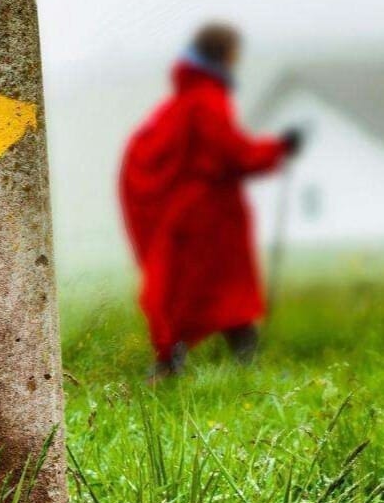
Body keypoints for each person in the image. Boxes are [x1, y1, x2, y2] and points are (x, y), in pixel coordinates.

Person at [119, 23, 303, 380]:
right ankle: (233, 368)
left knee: (188, 291)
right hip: (210, 218)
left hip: (191, 214)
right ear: (223, 53)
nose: (238, 58)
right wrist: (280, 147)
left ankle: (173, 365)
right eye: (235, 51)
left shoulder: (184, 101)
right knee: (225, 292)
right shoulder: (206, 99)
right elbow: (235, 155)